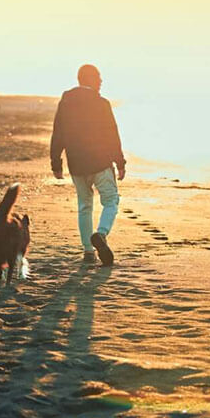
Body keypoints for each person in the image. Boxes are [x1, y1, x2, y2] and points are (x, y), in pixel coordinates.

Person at [50, 64, 126, 266]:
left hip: (76, 164)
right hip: (100, 162)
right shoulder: (101, 104)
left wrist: (56, 163)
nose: (101, 81)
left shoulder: (66, 103)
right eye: (99, 77)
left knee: (85, 205)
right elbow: (112, 134)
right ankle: (101, 234)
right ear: (90, 79)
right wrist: (120, 162)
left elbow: (58, 132)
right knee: (111, 201)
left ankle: (88, 252)